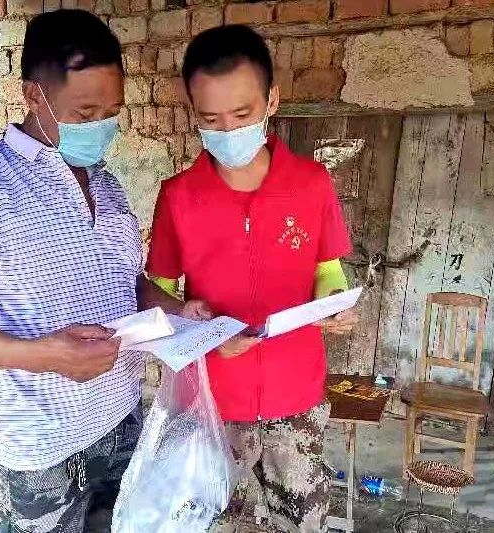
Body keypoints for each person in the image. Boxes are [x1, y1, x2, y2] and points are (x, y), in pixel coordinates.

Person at [0, 10, 210, 533]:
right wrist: (46, 355)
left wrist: (177, 312)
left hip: (121, 420)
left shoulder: (107, 186)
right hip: (41, 447)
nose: (101, 125)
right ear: (35, 95)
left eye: (112, 111)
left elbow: (127, 283)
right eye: (85, 111)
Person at [145, 24, 359, 532]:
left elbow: (327, 270)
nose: (227, 129)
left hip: (298, 396)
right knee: (219, 520)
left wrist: (335, 302)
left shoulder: (311, 184)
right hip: (214, 404)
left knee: (302, 521)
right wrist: (192, 324)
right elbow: (155, 293)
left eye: (241, 115)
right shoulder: (179, 196)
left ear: (271, 101)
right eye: (210, 119)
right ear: (193, 112)